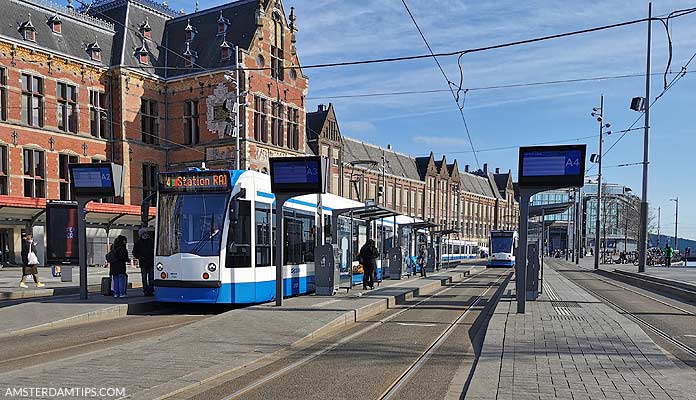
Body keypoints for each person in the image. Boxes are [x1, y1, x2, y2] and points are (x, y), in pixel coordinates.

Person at [132, 228, 155, 296]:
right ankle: (147, 290)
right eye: (143, 234)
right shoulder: (149, 242)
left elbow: (134, 252)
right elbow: (134, 252)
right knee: (148, 278)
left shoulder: (149, 241)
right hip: (145, 262)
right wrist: (141, 257)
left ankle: (149, 290)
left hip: (147, 262)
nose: (144, 235)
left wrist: (140, 257)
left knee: (148, 277)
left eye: (145, 233)